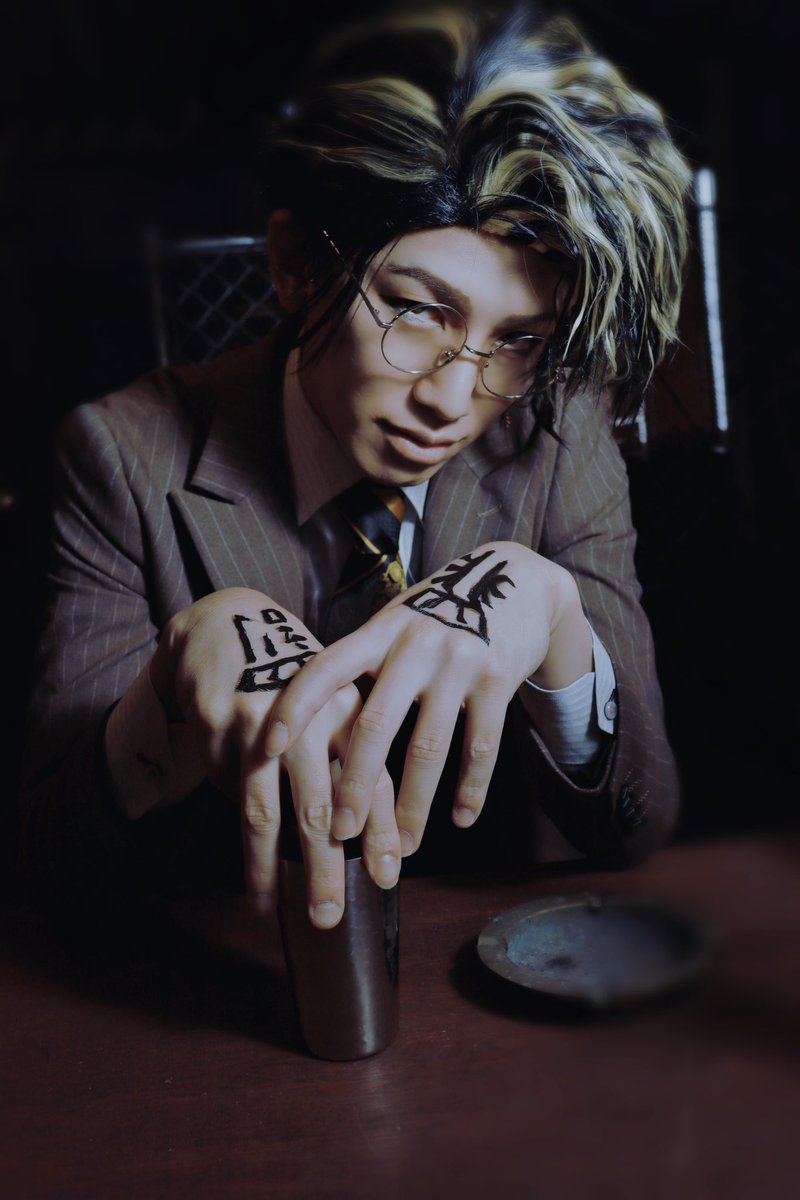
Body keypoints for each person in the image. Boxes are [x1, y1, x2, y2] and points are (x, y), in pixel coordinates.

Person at [20, 1, 690, 931]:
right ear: (298, 265)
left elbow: (637, 825)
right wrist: (162, 695)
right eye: (416, 311)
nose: (453, 400)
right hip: (238, 973)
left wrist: (558, 628)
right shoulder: (123, 453)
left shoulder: (562, 436)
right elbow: (46, 861)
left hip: (508, 965)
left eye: (518, 340)